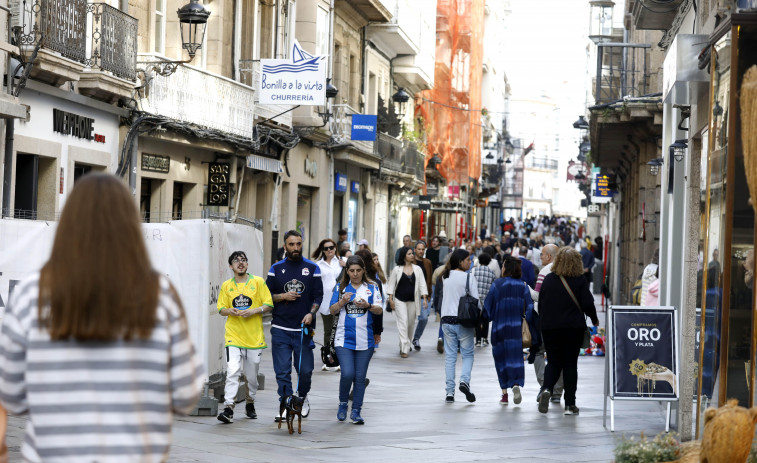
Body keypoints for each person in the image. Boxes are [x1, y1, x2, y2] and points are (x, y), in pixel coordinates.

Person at [0, 174, 203, 461]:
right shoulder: (160, 296)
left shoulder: (31, 294)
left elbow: (12, 395)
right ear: (130, 228)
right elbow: (186, 393)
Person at [266, 230, 324, 420]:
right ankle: (285, 403)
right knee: (282, 371)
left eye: (298, 244)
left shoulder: (312, 268)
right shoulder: (276, 268)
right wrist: (283, 296)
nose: (295, 248)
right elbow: (266, 297)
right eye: (291, 244)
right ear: (285, 246)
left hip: (302, 329)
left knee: (305, 371)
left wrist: (311, 313)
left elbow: (318, 296)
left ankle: (301, 398)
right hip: (281, 328)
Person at [537, 247, 600, 415]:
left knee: (553, 361)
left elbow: (541, 304)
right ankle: (570, 405)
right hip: (573, 329)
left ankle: (546, 389)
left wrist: (544, 323)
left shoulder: (549, 279)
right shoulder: (579, 280)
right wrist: (594, 320)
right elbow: (587, 304)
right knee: (570, 364)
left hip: (550, 328)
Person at [216, 251, 274, 424]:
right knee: (233, 371)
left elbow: (268, 304)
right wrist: (229, 311)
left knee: (252, 376)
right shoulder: (227, 285)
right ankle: (228, 408)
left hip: (254, 337)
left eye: (243, 260)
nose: (240, 263)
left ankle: (250, 402)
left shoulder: (258, 282)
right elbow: (221, 309)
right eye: (236, 260)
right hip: (233, 335)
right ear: (230, 266)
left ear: (247, 264)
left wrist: (254, 311)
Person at [328, 255, 384, 424]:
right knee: (347, 374)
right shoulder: (340, 287)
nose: (355, 274)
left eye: (358, 270)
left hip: (365, 341)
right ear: (347, 271)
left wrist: (368, 306)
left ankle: (356, 411)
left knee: (360, 377)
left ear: (363, 270)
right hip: (343, 339)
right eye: (351, 271)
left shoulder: (372, 287)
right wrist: (342, 302)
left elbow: (380, 310)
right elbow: (331, 310)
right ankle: (343, 404)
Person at [482, 256, 534, 405]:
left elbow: (488, 307)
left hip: (499, 328)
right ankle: (516, 385)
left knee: (500, 359)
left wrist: (486, 318)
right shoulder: (523, 286)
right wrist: (526, 320)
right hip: (516, 329)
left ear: (506, 269)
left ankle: (504, 394)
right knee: (515, 358)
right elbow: (530, 307)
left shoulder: (497, 285)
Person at [440, 249, 479, 403]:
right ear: (460, 261)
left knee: (450, 357)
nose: (470, 263)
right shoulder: (469, 277)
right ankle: (464, 381)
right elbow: (476, 300)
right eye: (468, 260)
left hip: (446, 319)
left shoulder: (446, 276)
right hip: (463, 320)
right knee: (467, 354)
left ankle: (450, 392)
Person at [530, 243, 564, 404]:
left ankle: (545, 385)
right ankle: (557, 392)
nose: (540, 257)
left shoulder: (545, 271)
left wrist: (526, 289)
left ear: (549, 257)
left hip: (545, 319)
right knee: (559, 355)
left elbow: (538, 296)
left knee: (538, 350)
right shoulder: (567, 269)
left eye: (542, 254)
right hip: (564, 320)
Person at [386, 246, 429, 357]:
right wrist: (390, 300)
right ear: (404, 256)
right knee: (403, 322)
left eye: (412, 253)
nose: (412, 255)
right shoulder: (397, 269)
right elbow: (391, 285)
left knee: (410, 324)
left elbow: (422, 284)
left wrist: (424, 298)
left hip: (413, 301)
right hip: (399, 300)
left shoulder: (417, 269)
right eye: (409, 254)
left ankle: (405, 344)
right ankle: (404, 349)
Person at [313, 238, 344, 372]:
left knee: (340, 330)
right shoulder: (318, 265)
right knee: (328, 331)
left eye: (331, 247)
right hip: (326, 302)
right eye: (326, 248)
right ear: (322, 251)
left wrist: (345, 266)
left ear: (335, 247)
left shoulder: (343, 262)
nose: (329, 250)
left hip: (342, 301)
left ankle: (340, 359)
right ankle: (328, 358)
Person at [412, 240, 434, 350]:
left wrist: (429, 294)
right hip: (411, 296)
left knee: (424, 318)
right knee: (409, 320)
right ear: (415, 249)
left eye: (422, 249)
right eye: (419, 249)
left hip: (424, 296)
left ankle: (416, 338)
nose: (421, 251)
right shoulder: (410, 262)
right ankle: (405, 341)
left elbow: (429, 279)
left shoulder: (427, 262)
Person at [472, 253, 497, 347]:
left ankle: (478, 340)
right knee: (485, 319)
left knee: (477, 320)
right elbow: (493, 287)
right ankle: (485, 338)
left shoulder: (474, 271)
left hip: (476, 298)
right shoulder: (491, 273)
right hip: (487, 299)